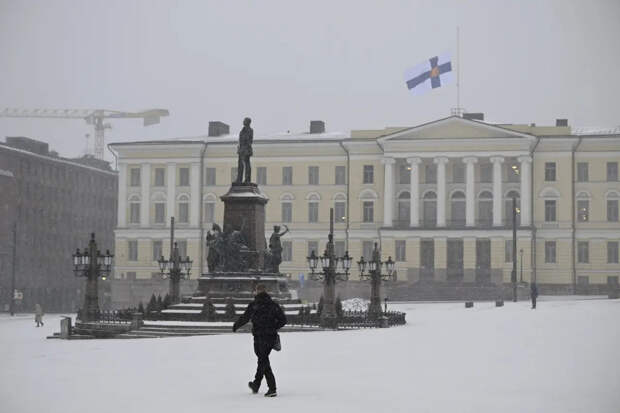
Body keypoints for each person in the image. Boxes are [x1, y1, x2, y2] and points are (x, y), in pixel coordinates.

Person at [233, 284, 287, 397]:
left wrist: (236, 325)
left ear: (256, 291)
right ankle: (256, 384)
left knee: (263, 360)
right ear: (266, 291)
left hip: (259, 336)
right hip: (270, 336)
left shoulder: (254, 305)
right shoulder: (273, 305)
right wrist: (273, 327)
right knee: (263, 360)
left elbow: (245, 317)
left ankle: (272, 388)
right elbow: (283, 320)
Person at [236, 117, 253, 184]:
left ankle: (247, 179)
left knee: (247, 164)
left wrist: (246, 147)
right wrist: (239, 148)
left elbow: (250, 140)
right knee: (240, 164)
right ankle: (239, 179)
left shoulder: (250, 130)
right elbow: (240, 140)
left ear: (248, 122)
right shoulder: (242, 131)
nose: (243, 121)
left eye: (244, 120)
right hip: (241, 149)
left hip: (246, 149)